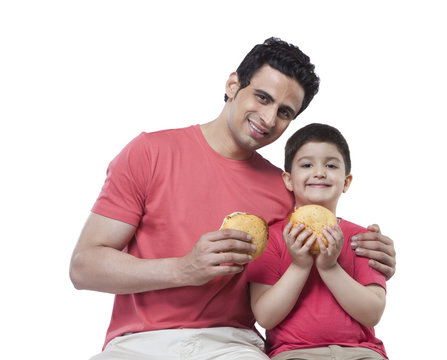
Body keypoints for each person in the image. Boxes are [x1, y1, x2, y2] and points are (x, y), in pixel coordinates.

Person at [69, 38, 396, 359]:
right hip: (139, 342)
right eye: (262, 97)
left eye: (284, 112)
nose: (268, 120)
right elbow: (84, 267)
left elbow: (321, 247)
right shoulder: (149, 153)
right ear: (232, 84)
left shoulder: (285, 190)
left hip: (233, 344)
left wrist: (373, 252)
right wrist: (184, 269)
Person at [248, 123, 389, 359]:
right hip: (294, 353)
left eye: (331, 165)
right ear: (289, 180)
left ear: (346, 182)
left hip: (362, 352)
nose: (319, 172)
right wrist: (300, 265)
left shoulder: (362, 238)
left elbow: (372, 313)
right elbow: (265, 316)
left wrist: (330, 267)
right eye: (307, 165)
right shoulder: (271, 238)